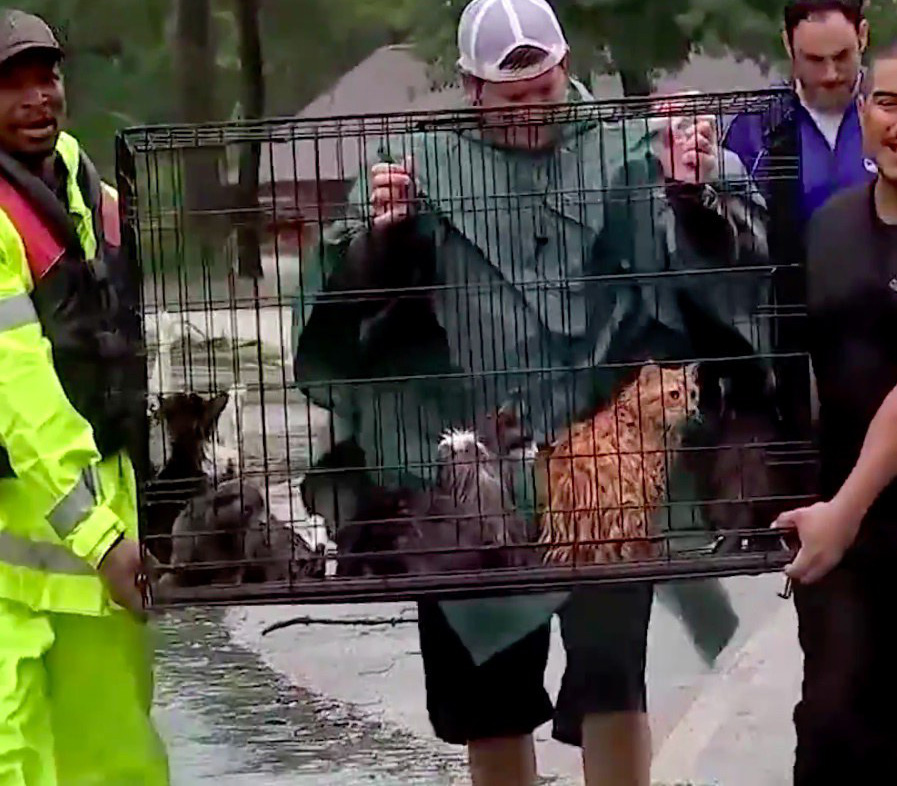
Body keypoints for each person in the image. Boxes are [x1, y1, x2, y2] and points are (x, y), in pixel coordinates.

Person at [294, 1, 764, 783]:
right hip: (469, 466)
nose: (528, 111)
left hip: (600, 469)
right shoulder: (422, 165)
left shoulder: (632, 149)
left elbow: (735, 251)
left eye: (542, 90)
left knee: (614, 684)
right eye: (508, 100)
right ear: (472, 88)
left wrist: (694, 189)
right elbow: (344, 299)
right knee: (493, 701)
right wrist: (383, 237)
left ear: (564, 66)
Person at [0, 10, 169, 786]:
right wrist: (102, 538)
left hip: (94, 552)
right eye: (12, 86)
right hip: (26, 562)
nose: (38, 100)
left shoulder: (79, 176)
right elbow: (20, 393)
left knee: (117, 762)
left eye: (48, 79)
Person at [771, 40, 897, 785]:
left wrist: (843, 509)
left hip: (857, 510)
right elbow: (789, 363)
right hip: (843, 531)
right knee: (831, 721)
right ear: (861, 110)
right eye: (887, 103)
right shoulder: (829, 230)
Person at [724, 0, 876, 443]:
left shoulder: (886, 115)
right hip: (789, 334)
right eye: (814, 60)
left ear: (863, 35)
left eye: (842, 57)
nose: (830, 74)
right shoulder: (755, 130)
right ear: (787, 44)